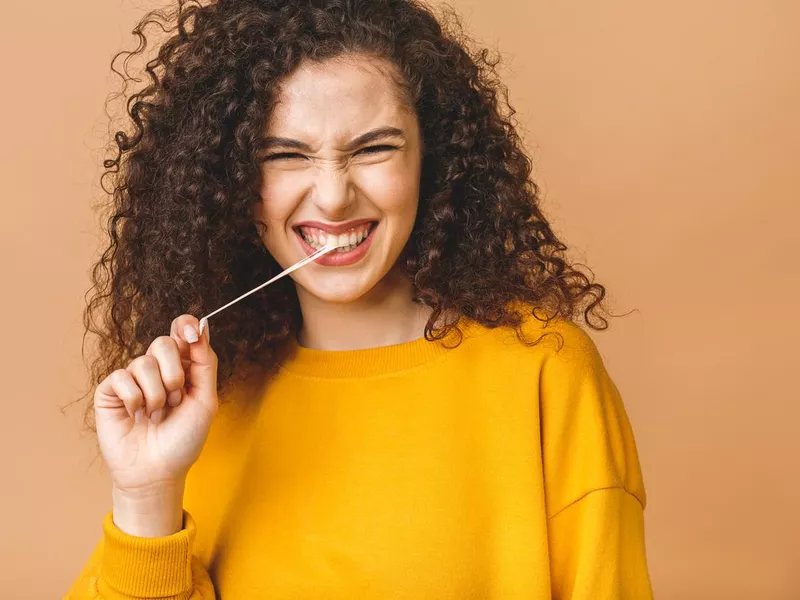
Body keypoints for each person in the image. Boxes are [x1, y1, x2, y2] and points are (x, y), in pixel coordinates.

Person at [66, 0, 653, 598]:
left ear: (435, 158)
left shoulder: (545, 372)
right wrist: (146, 497)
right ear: (231, 181)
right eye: (285, 155)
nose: (333, 197)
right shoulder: (205, 404)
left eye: (374, 148)